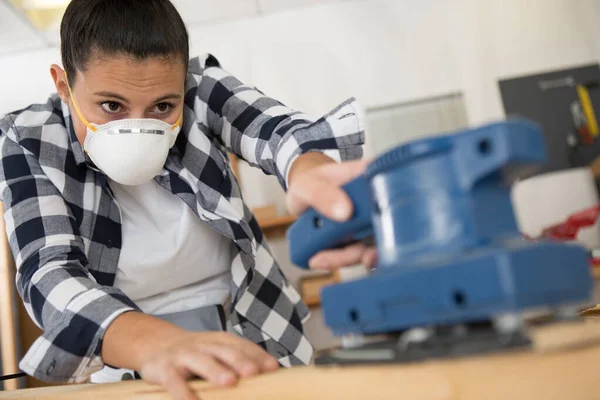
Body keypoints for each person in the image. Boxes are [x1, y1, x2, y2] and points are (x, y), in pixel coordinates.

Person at [0, 0, 374, 399]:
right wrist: (154, 343)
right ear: (64, 85)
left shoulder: (200, 88)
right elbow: (48, 270)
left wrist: (308, 168)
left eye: (163, 106)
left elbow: (276, 130)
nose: (137, 126)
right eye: (111, 106)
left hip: (253, 331)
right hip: (130, 354)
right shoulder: (27, 140)